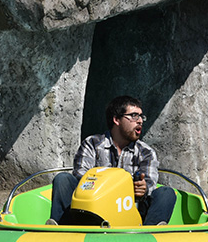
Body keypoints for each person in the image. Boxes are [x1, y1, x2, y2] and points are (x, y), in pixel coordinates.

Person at [49, 94, 178, 226]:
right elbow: (81, 177)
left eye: (141, 116)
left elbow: (149, 184)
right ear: (116, 119)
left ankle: (149, 233)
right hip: (93, 208)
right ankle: (60, 229)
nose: (140, 121)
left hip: (131, 210)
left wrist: (142, 189)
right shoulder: (92, 144)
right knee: (63, 179)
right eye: (134, 116)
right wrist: (108, 189)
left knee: (166, 193)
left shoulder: (146, 152)